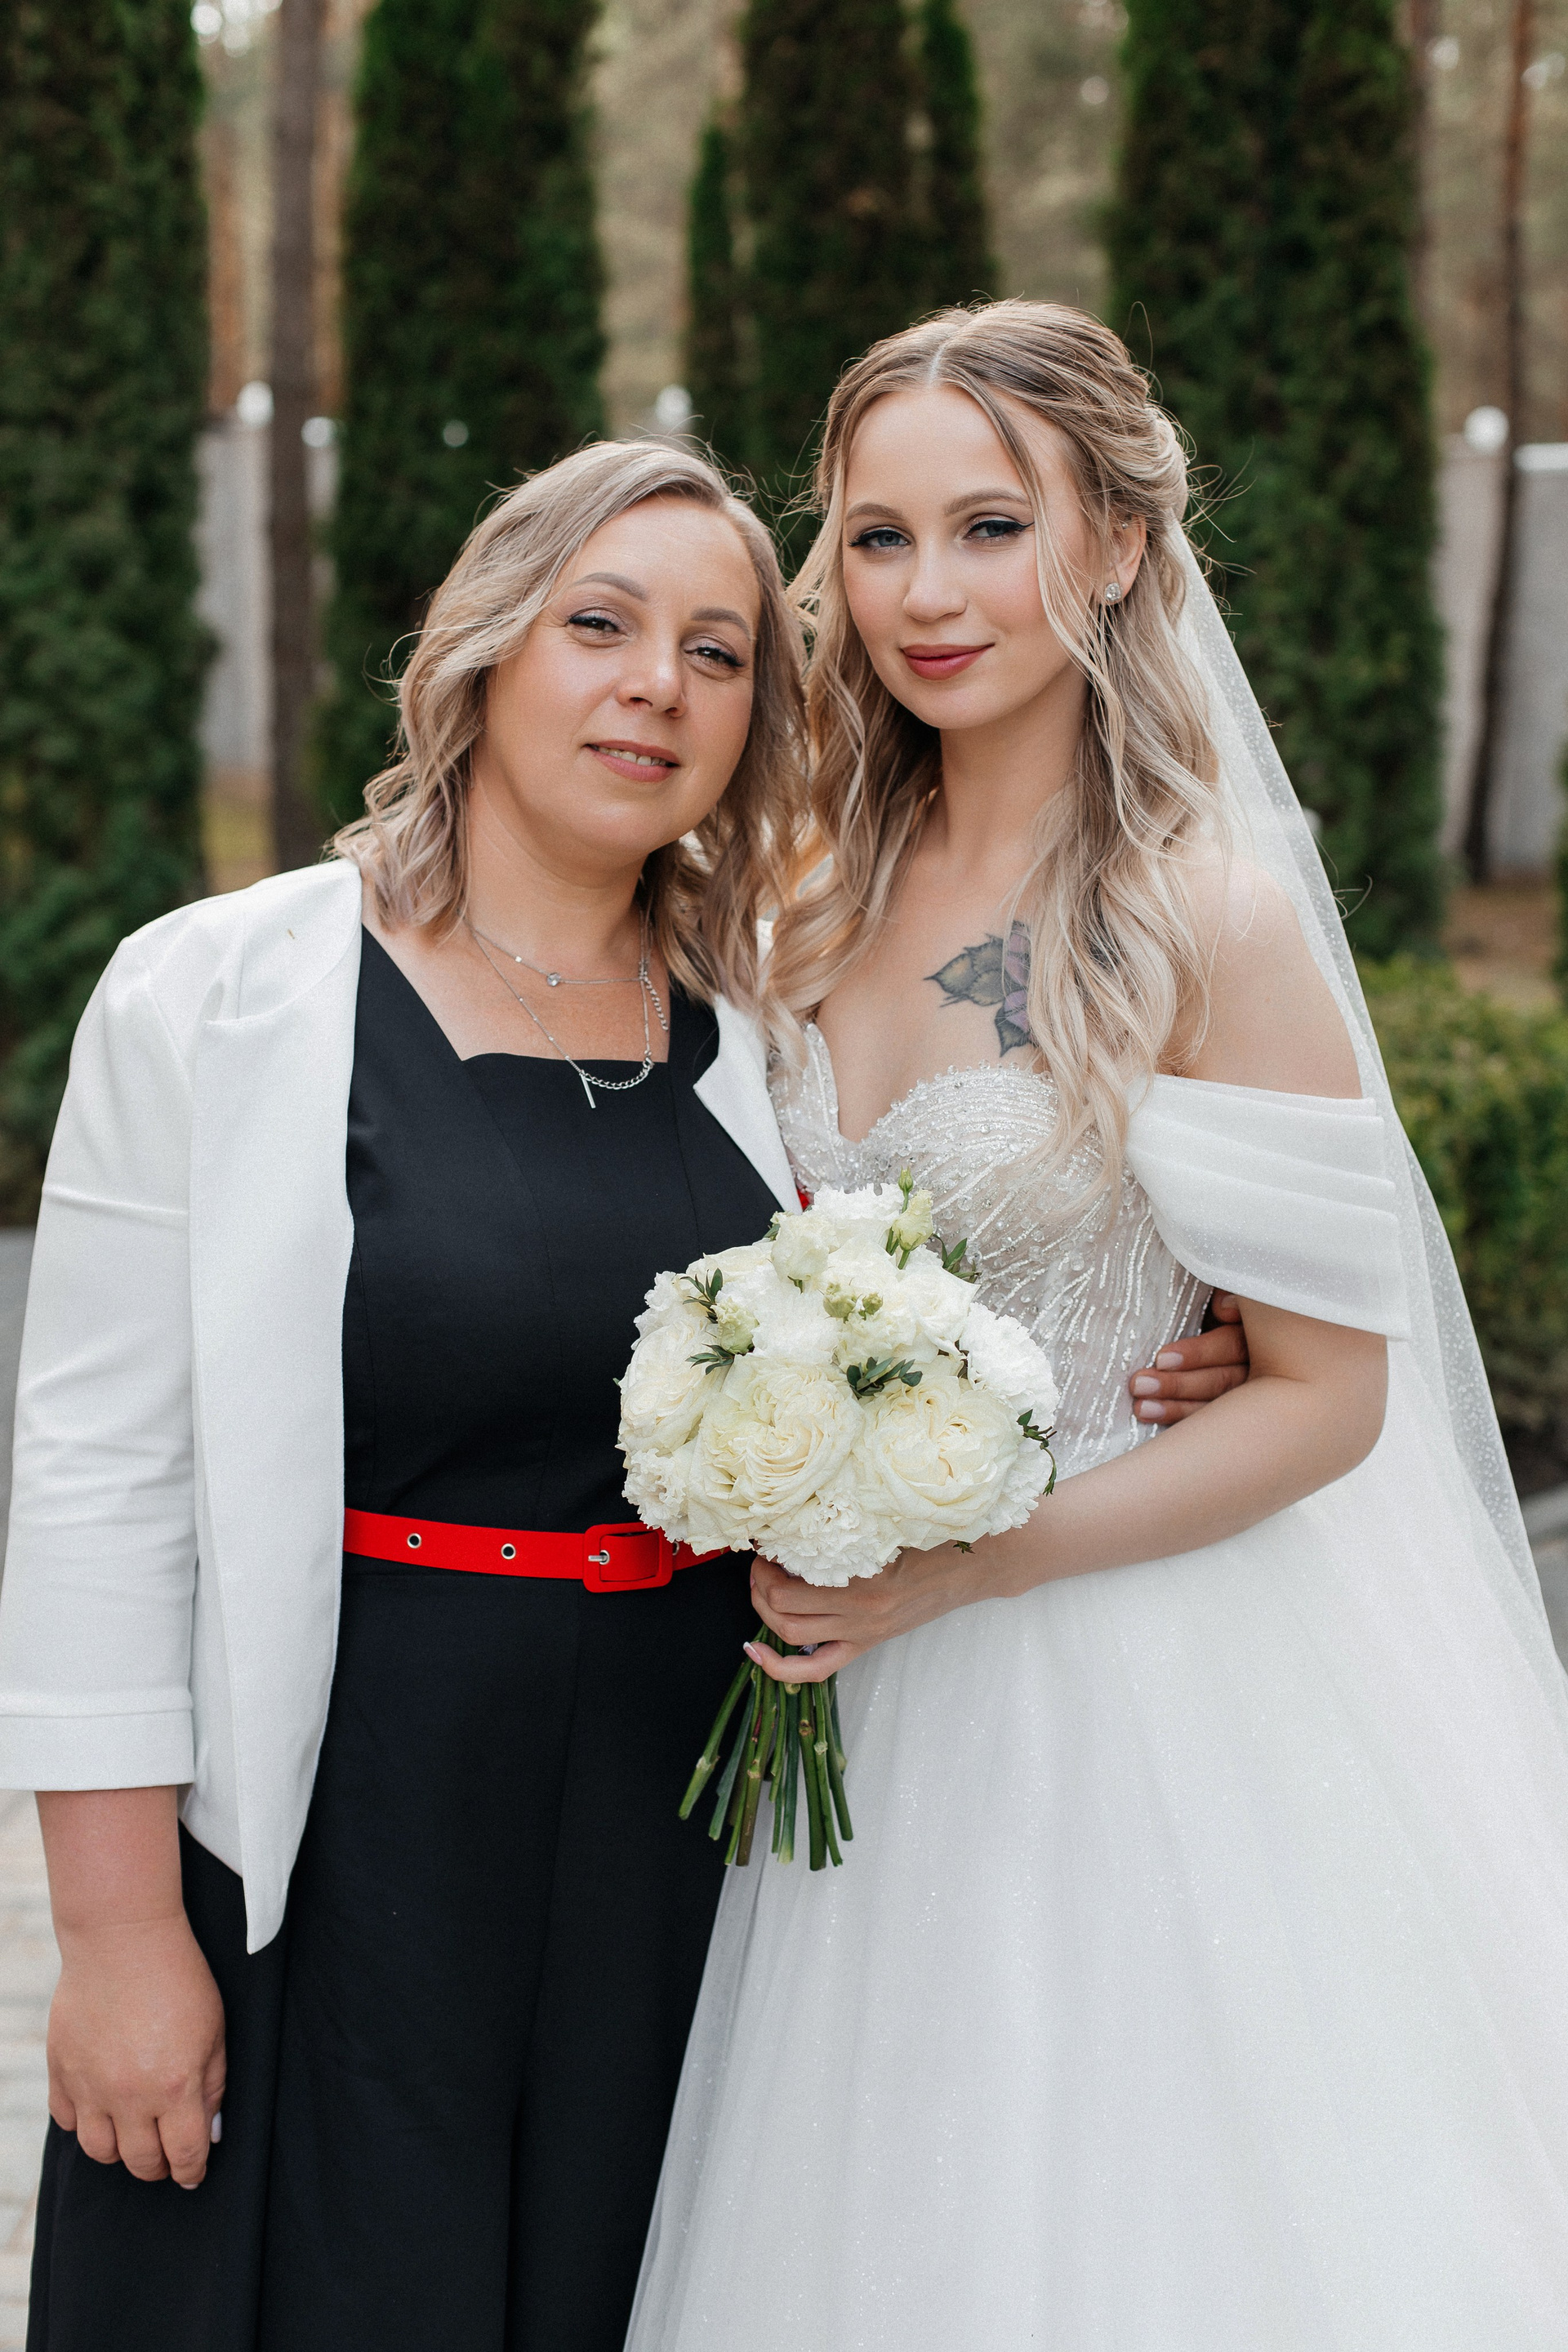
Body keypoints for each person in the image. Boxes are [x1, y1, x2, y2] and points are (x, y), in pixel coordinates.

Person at [628, 302, 1568, 2350]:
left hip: (1134, 1680)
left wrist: (975, 1560)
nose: (928, 594)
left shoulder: (1197, 913)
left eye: (992, 527)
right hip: (858, 1686)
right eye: (879, 537)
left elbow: (1323, 1401)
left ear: (1120, 542)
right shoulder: (795, 886)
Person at [0, 439, 815, 2352]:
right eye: (601, 624)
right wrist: (118, 1938)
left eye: (719, 654)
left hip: (683, 1832)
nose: (658, 685)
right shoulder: (214, 996)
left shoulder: (785, 1030)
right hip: (345, 1809)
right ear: (483, 646)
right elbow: (103, 1480)